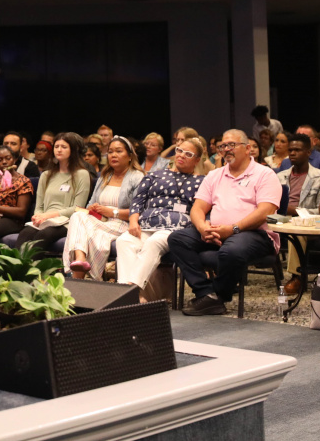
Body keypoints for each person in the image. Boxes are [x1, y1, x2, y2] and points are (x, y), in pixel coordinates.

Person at [168, 129, 282, 316]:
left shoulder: (264, 174)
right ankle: (206, 293)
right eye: (223, 146)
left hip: (254, 234)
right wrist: (202, 227)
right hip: (216, 231)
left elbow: (265, 212)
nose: (226, 149)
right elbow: (197, 208)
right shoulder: (215, 175)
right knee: (177, 239)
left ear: (247, 149)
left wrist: (233, 229)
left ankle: (219, 296)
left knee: (231, 250)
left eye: (231, 145)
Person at [116, 137, 207, 301]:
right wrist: (133, 221)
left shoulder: (201, 181)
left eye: (188, 154)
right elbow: (137, 202)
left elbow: (203, 209)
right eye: (179, 151)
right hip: (146, 224)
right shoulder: (154, 176)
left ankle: (129, 293)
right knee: (124, 240)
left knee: (154, 242)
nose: (181, 155)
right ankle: (132, 294)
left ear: (197, 160)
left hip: (175, 229)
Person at [64, 136, 142, 279]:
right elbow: (89, 205)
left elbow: (139, 211)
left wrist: (112, 212)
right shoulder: (105, 176)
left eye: (118, 151)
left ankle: (78, 273)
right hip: (99, 221)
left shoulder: (137, 177)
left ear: (130, 156)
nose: (113, 155)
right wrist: (93, 207)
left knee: (83, 229)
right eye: (110, 152)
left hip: (122, 223)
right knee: (78, 216)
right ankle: (80, 260)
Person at [18, 132, 90, 250]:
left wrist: (48, 215)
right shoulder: (46, 175)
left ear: (73, 150)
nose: (59, 150)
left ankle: (34, 263)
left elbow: (77, 208)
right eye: (56, 146)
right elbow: (39, 205)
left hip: (66, 221)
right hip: (44, 219)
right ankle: (16, 263)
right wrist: (38, 217)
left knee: (43, 235)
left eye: (64, 147)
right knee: (25, 234)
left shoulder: (82, 174)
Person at [277, 136, 320, 217]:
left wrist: (295, 211)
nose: (292, 153)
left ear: (308, 152)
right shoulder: (279, 177)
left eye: (297, 150)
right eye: (290, 150)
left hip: (306, 221)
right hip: (280, 219)